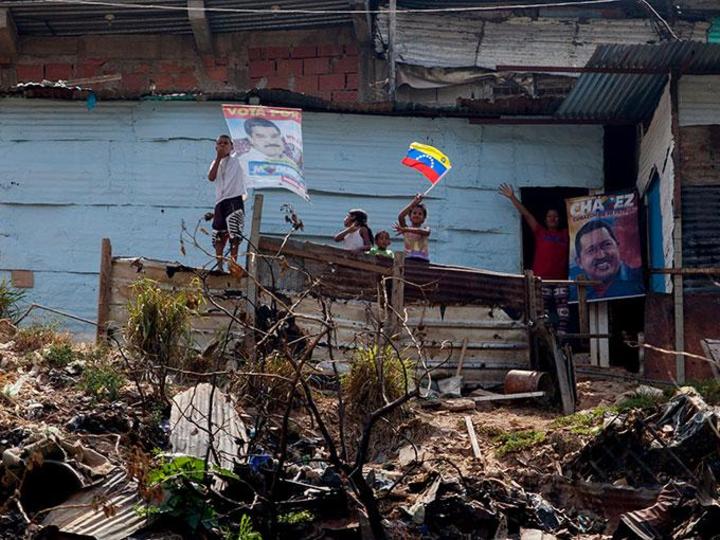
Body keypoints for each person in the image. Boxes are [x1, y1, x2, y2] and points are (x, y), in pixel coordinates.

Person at [498, 183, 569, 334]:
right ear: (545, 219)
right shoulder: (540, 232)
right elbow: (527, 215)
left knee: (563, 313)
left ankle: (562, 339)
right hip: (541, 281)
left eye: (556, 216)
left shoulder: (566, 235)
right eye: (550, 216)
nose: (553, 218)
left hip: (560, 281)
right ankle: (546, 339)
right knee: (543, 313)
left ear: (560, 219)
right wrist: (512, 197)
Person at [573, 219, 644, 300]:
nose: (601, 255)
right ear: (579, 262)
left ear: (618, 246)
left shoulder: (639, 282)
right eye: (591, 250)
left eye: (607, 245)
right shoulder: (574, 295)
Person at [207, 134, 247, 272]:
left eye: (226, 143)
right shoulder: (215, 163)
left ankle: (233, 264)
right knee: (218, 234)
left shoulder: (237, 159)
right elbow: (211, 177)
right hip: (220, 201)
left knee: (234, 234)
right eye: (220, 143)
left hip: (234, 199)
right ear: (216, 146)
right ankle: (219, 266)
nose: (223, 145)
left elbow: (246, 146)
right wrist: (219, 157)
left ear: (231, 146)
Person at [394, 194, 431, 262]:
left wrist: (405, 229)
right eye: (414, 213)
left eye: (420, 214)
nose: (417, 215)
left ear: (423, 219)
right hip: (408, 258)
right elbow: (401, 217)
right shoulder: (405, 228)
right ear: (409, 216)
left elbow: (426, 232)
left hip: (422, 259)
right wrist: (413, 203)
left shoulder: (425, 228)